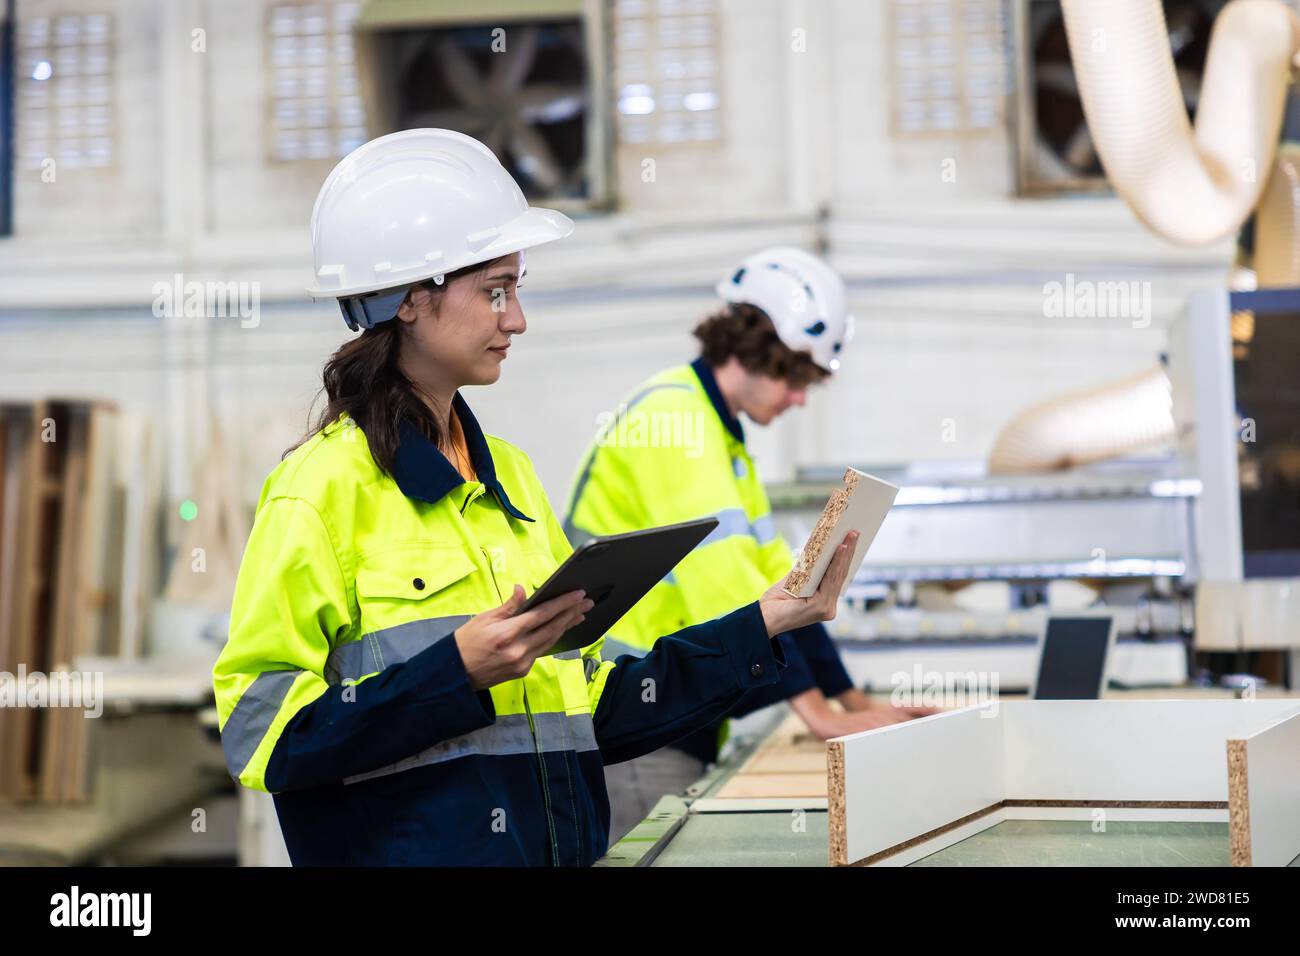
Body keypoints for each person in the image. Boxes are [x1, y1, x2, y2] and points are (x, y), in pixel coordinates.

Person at [211, 131, 859, 866]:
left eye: (516, 289)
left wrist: (768, 623)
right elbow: (260, 733)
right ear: (412, 298)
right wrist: (452, 673)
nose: (516, 318)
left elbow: (593, 709)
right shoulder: (318, 491)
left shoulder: (509, 478)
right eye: (496, 290)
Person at [565, 246, 936, 843]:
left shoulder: (721, 437)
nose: (799, 399)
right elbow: (731, 591)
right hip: (629, 709)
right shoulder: (675, 422)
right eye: (796, 376)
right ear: (755, 348)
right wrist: (816, 711)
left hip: (668, 702)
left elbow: (782, 586)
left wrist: (847, 696)